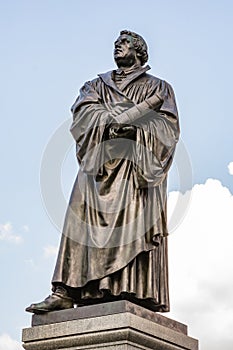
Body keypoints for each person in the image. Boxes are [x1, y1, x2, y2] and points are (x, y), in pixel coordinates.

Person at [26, 30, 179, 314]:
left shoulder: (158, 89)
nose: (117, 47)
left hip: (134, 167)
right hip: (98, 164)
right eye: (116, 44)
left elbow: (168, 129)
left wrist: (137, 126)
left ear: (139, 50)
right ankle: (65, 290)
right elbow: (83, 113)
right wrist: (109, 120)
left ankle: (125, 287)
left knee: (131, 222)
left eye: (124, 43)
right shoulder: (95, 86)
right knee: (78, 215)